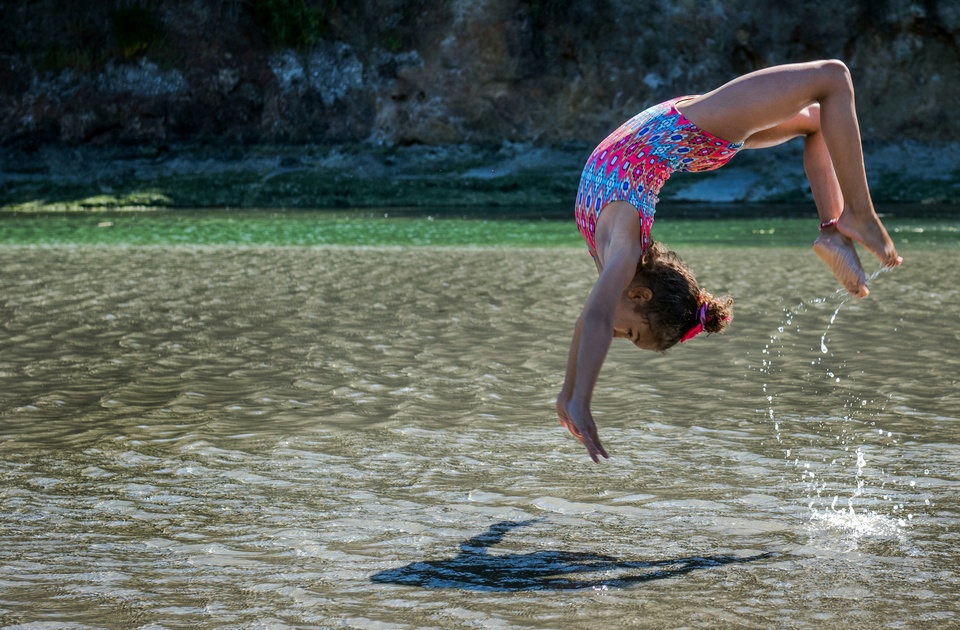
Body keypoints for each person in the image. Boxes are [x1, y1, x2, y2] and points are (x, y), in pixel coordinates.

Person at [556, 60, 902, 463]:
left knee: (824, 102)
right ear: (641, 294)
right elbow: (596, 320)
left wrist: (570, 394)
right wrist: (578, 397)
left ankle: (843, 224)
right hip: (691, 131)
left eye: (628, 336)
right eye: (630, 335)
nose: (615, 336)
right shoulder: (624, 253)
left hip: (686, 134)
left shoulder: (617, 258)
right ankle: (846, 221)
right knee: (831, 82)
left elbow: (590, 320)